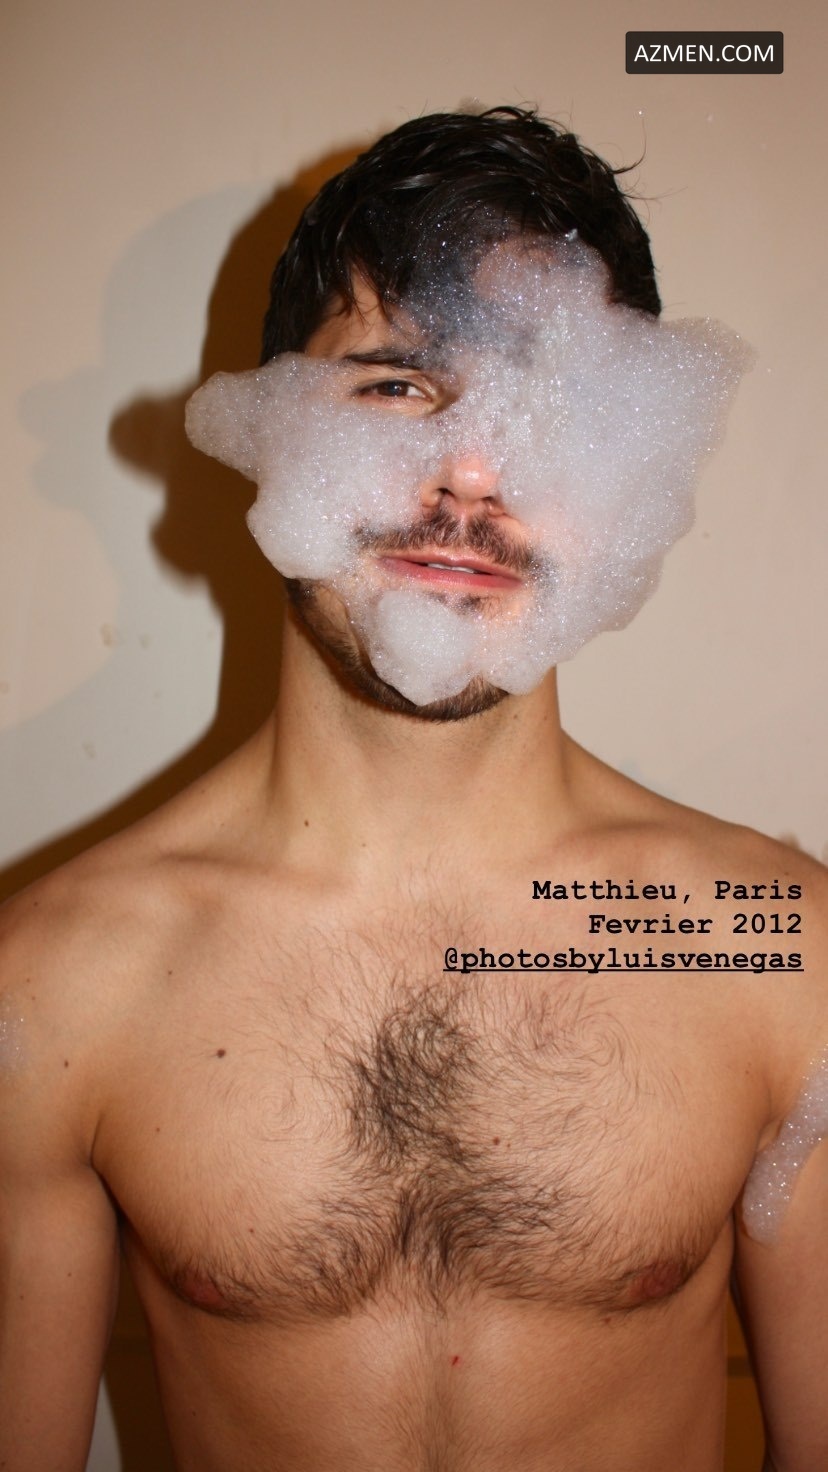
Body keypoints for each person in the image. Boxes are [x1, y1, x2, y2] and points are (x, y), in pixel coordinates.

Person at [1, 107, 826, 1472]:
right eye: (398, 387)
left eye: (551, 410)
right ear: (271, 432)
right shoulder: (61, 984)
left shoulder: (776, 957)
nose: (474, 473)